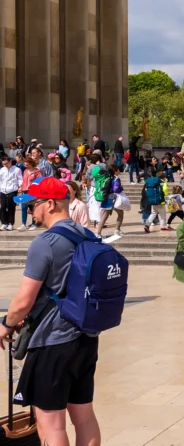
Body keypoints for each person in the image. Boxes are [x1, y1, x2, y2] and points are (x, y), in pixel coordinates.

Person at [1, 178, 104, 446]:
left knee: (51, 424)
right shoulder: (87, 235)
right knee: (84, 417)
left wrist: (6, 324)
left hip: (52, 341)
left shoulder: (45, 242)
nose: (30, 211)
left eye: (33, 204)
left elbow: (23, 300)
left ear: (49, 204)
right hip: (85, 339)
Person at [98, 164, 125, 238]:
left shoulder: (107, 178)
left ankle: (98, 233)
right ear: (115, 171)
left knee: (104, 216)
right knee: (120, 214)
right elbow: (116, 189)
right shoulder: (116, 179)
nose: (119, 171)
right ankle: (117, 230)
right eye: (118, 170)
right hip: (114, 199)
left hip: (106, 199)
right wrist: (121, 188)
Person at [0, 154, 23, 231]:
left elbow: (20, 179)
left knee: (11, 207)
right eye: (3, 164)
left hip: (12, 190)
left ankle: (10, 223)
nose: (5, 165)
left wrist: (20, 187)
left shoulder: (17, 170)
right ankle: (4, 223)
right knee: (2, 207)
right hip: (3, 190)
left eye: (6, 163)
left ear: (10, 162)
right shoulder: (2, 170)